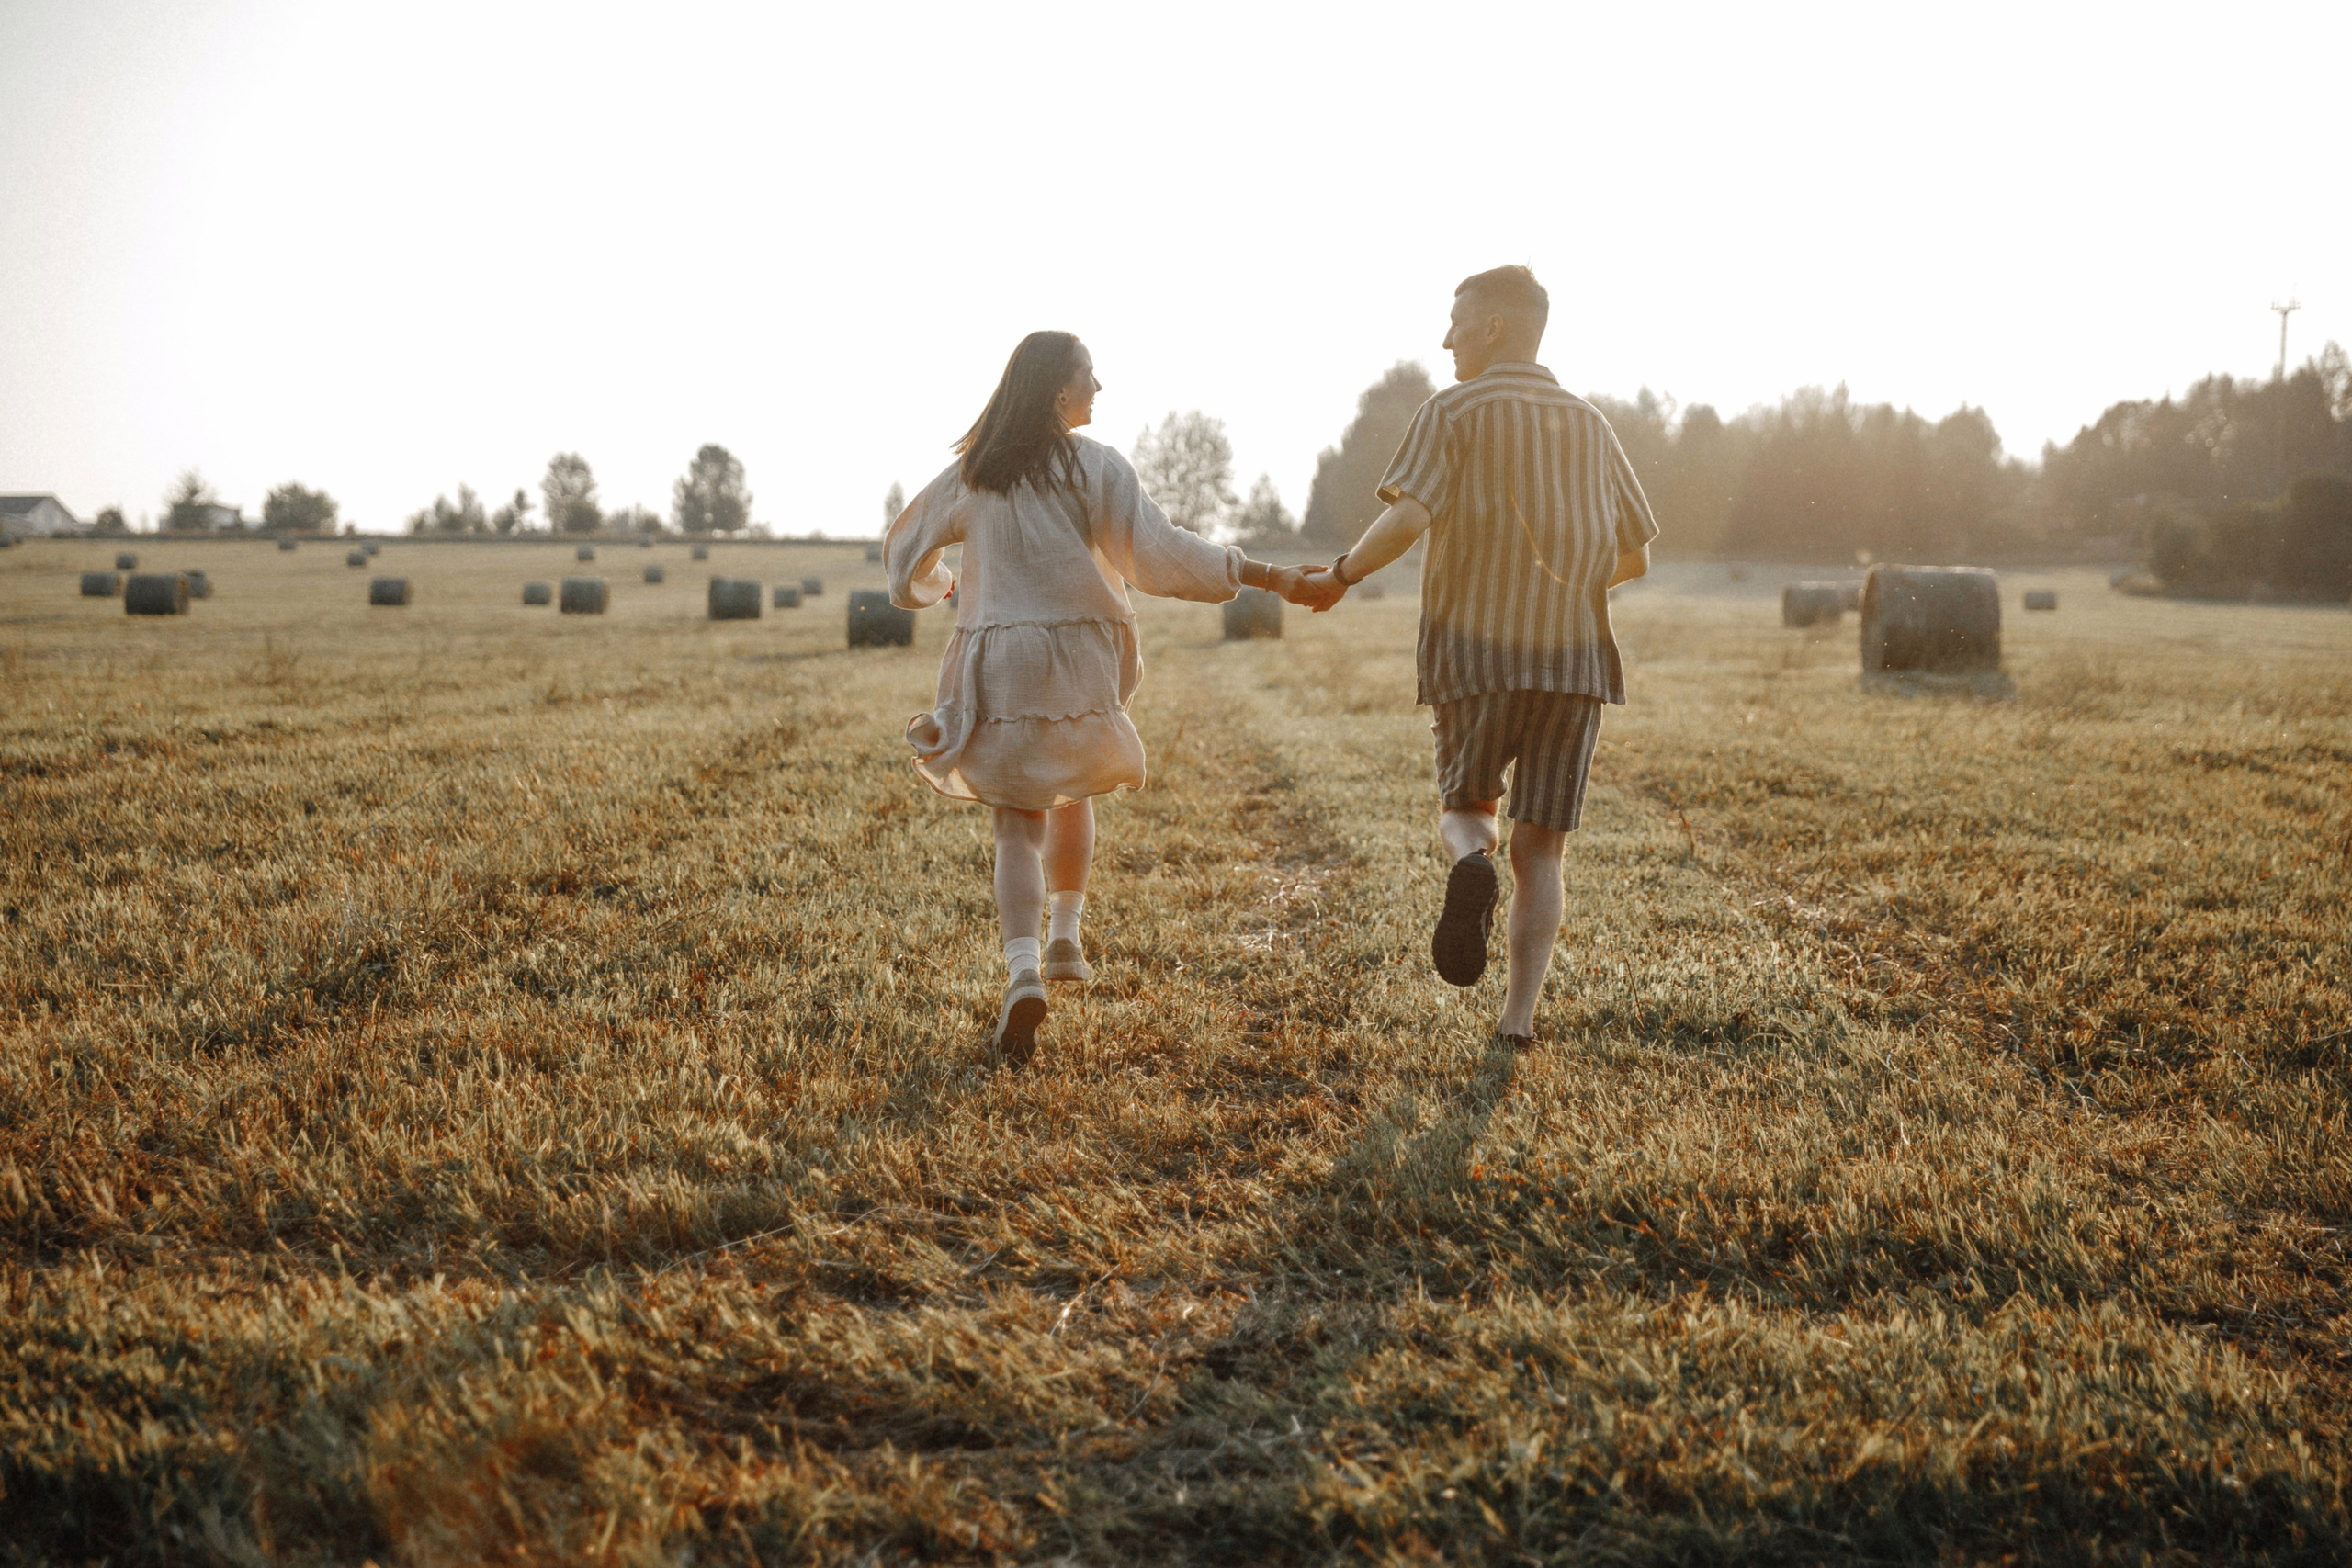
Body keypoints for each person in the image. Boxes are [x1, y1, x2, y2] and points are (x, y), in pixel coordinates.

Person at [888, 331, 1329, 1065]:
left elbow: (904, 555)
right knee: (1075, 786)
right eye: (1090, 377)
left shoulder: (975, 473)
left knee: (1016, 824)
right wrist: (1271, 576)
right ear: (1060, 391)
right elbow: (1162, 555)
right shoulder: (1095, 467)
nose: (1101, 387)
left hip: (1001, 656)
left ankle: (1024, 970)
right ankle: (1067, 933)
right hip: (1080, 654)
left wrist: (936, 588)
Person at [1300, 265, 1657, 1050]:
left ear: (1493, 327)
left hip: (1476, 654)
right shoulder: (1591, 422)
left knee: (1467, 813)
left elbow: (1409, 519)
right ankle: (1518, 1023)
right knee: (1544, 846)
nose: (1445, 337)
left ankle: (1471, 863)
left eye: (1456, 321)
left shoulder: (1453, 410)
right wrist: (1565, 578)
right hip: (1576, 666)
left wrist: (1339, 576)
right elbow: (1635, 555)